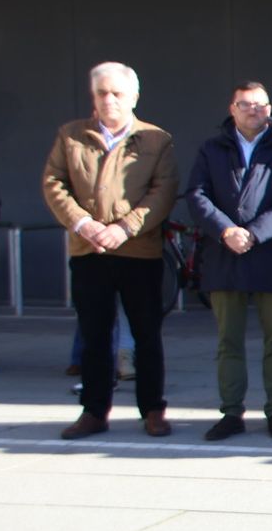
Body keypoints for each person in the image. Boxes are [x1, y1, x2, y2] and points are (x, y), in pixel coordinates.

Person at [42, 62, 179, 439]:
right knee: (94, 334)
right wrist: (85, 225)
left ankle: (152, 409)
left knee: (147, 334)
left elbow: (163, 191)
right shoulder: (71, 136)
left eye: (117, 93)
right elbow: (55, 183)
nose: (109, 100)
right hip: (88, 252)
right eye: (102, 93)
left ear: (134, 96)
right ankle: (94, 411)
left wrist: (124, 228)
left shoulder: (156, 139)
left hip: (139, 253)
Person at [185, 81, 272, 440]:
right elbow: (197, 195)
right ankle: (232, 411)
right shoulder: (212, 148)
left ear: (270, 109)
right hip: (224, 256)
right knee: (229, 340)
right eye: (246, 105)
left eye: (261, 105)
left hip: (271, 254)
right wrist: (226, 232)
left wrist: (254, 233)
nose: (254, 111)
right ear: (232, 108)